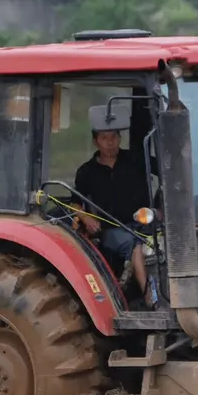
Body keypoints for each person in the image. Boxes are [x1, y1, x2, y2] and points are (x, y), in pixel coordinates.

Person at [72, 109, 150, 295]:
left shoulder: (135, 160)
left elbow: (167, 172)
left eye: (114, 137)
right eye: (104, 138)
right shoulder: (86, 172)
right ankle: (151, 298)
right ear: (95, 141)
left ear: (120, 138)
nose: (110, 142)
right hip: (111, 230)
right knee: (135, 246)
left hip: (144, 224)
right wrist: (86, 219)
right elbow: (75, 203)